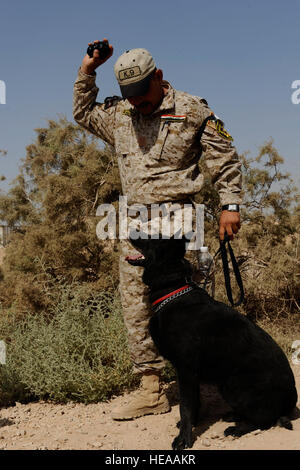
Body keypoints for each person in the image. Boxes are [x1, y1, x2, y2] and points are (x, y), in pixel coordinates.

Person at [73, 39, 242, 420]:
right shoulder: (120, 115)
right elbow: (83, 112)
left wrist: (230, 205)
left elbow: (225, 158)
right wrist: (88, 69)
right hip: (134, 227)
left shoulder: (192, 110)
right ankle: (150, 388)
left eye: (142, 94)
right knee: (136, 305)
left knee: (192, 306)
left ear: (159, 77)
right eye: (129, 96)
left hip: (181, 222)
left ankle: (205, 385)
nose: (137, 103)